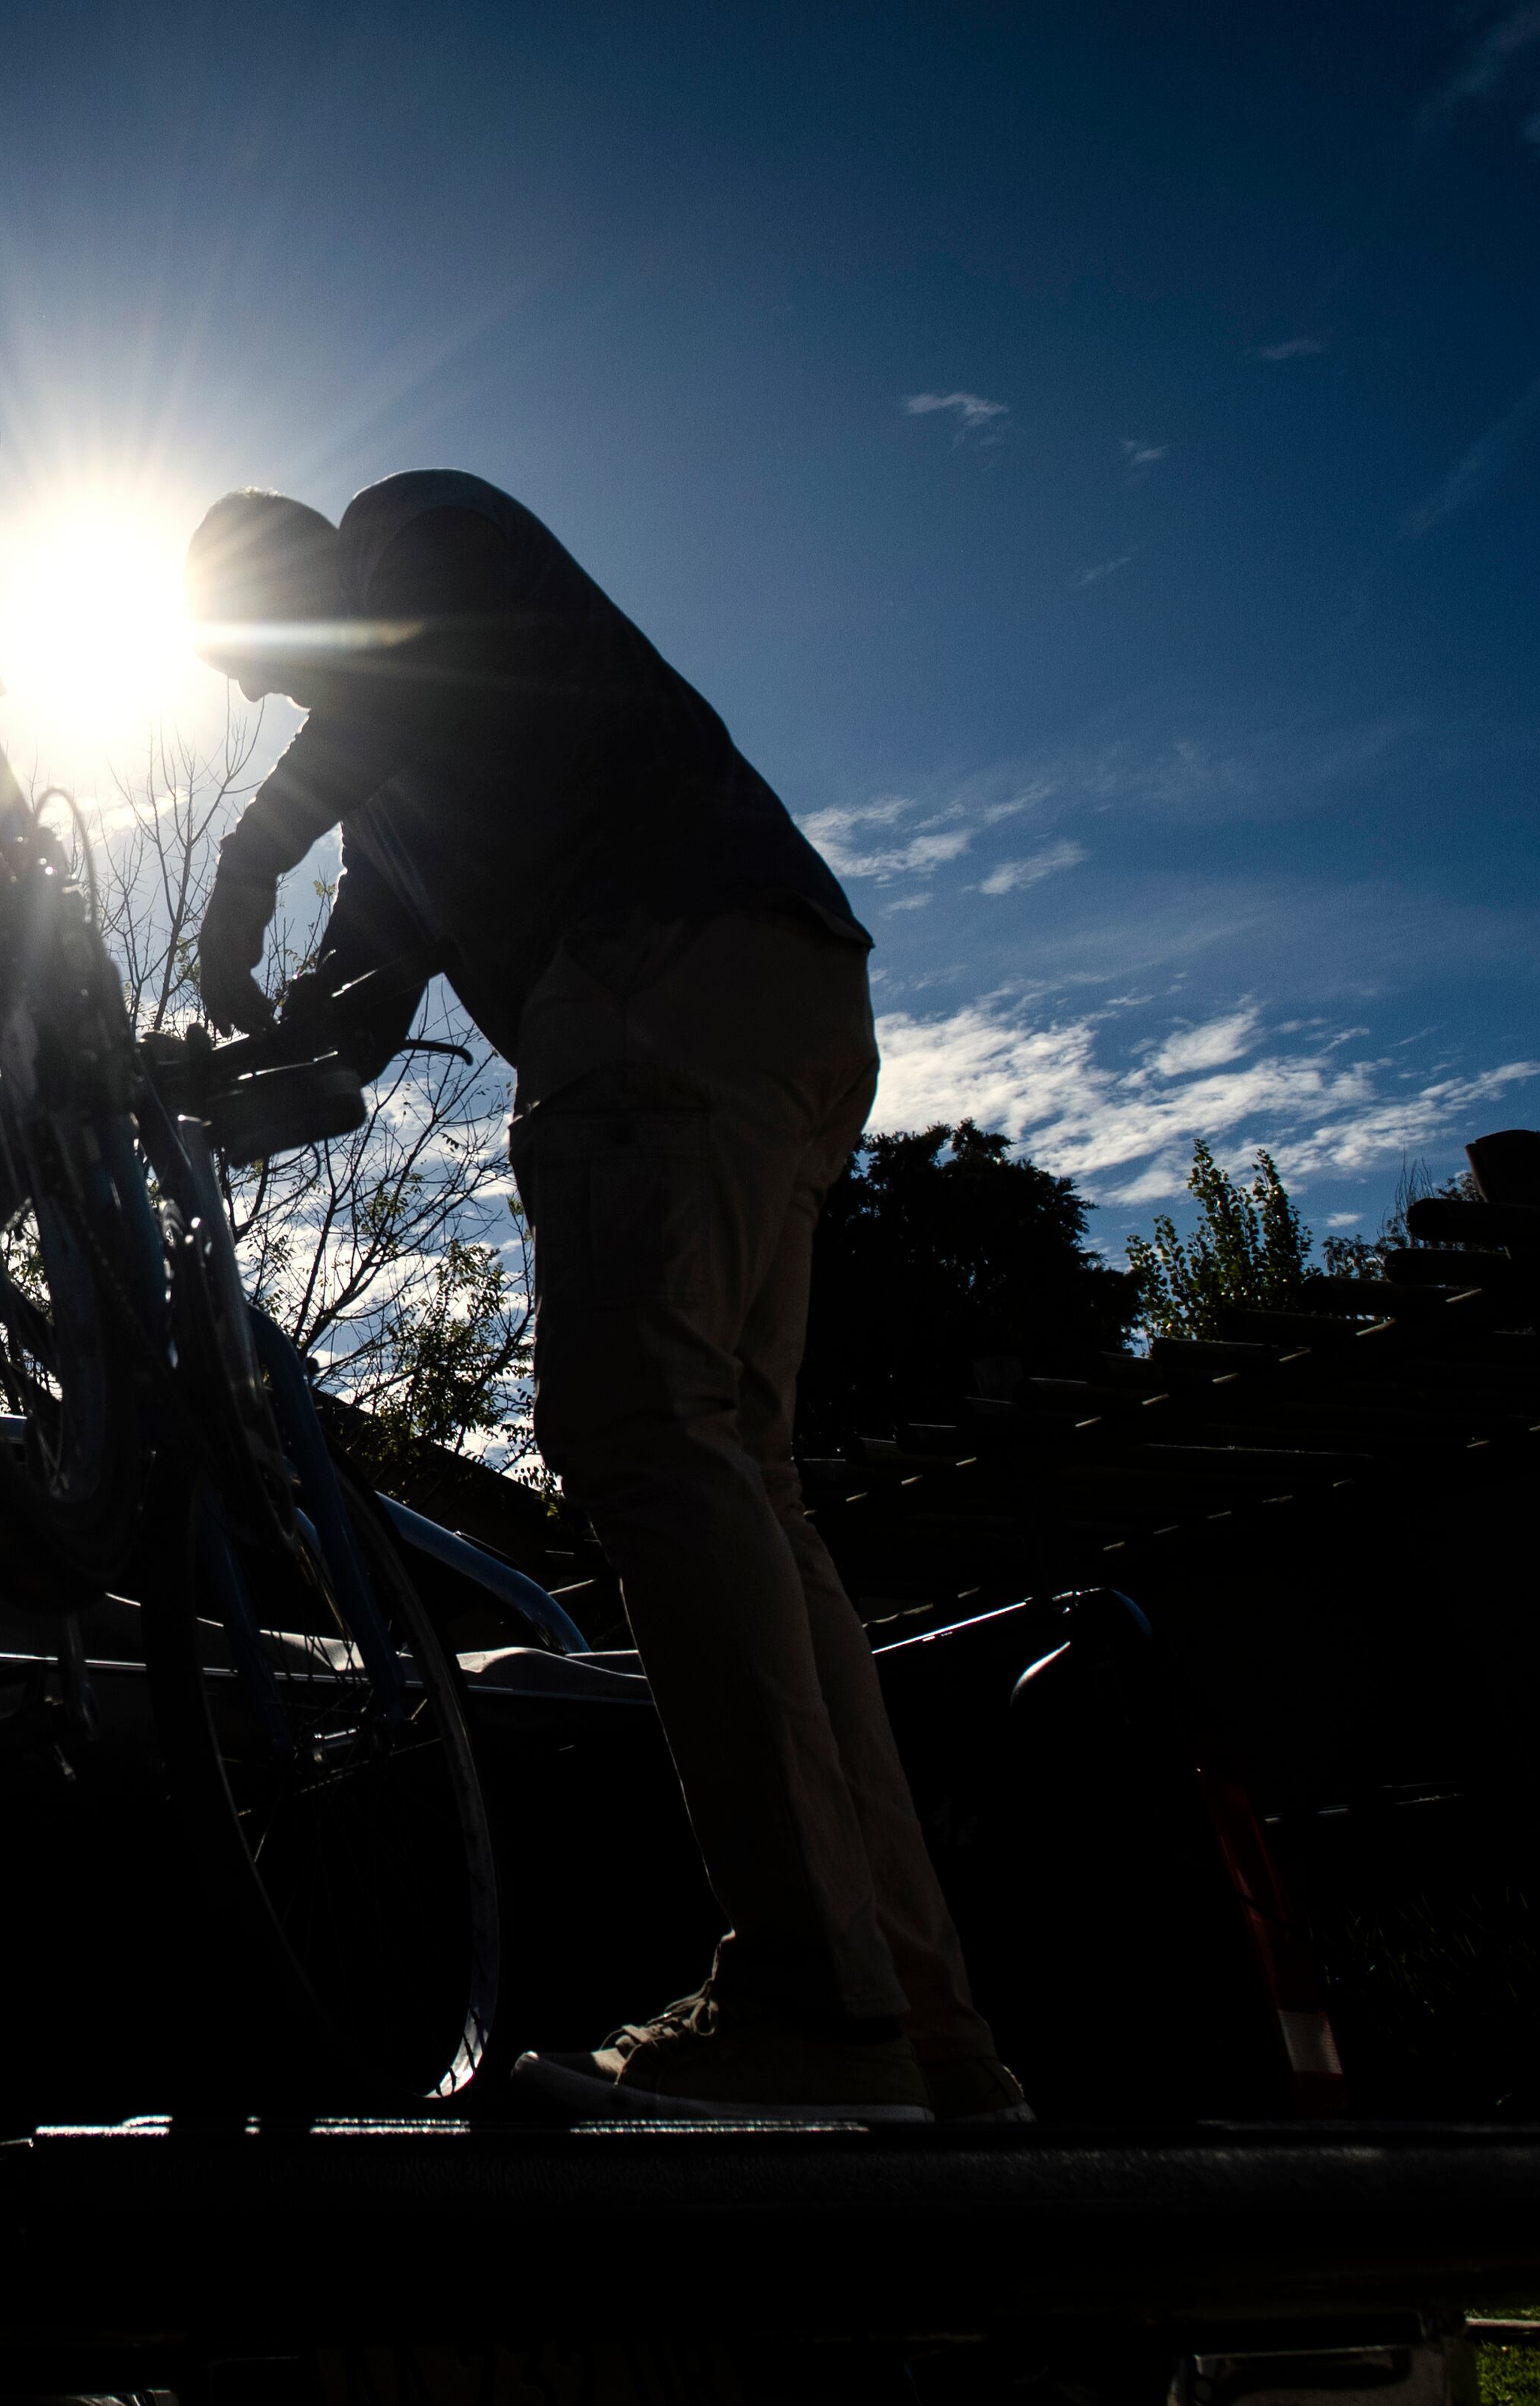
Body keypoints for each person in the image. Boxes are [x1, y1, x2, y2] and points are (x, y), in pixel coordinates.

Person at [183, 479, 1025, 2124]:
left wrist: (242, 852)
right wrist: (216, 1067)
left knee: (640, 1442)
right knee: (739, 1489)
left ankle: (809, 1996)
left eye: (240, 648)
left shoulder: (415, 530)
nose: (245, 692)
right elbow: (340, 1038)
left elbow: (399, 667)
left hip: (661, 969)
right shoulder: (402, 825)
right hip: (752, 1007)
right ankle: (920, 2028)